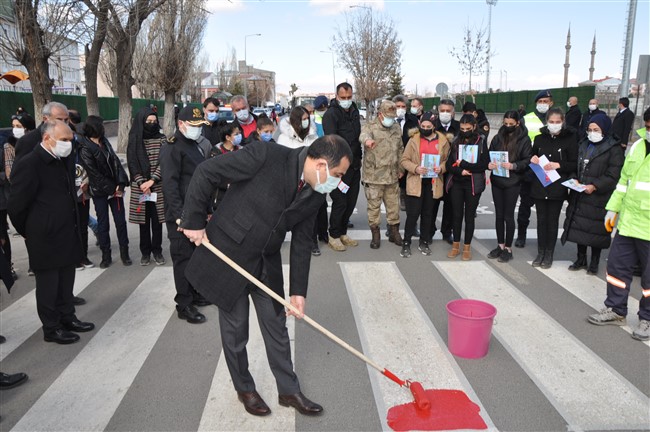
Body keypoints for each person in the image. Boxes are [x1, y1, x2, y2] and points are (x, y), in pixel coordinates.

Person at [179, 136, 352, 417]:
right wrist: (194, 221)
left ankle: (288, 390)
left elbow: (302, 242)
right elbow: (206, 172)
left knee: (277, 327)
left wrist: (298, 292)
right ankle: (245, 388)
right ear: (321, 164)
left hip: (265, 262)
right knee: (236, 331)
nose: (337, 181)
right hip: (231, 256)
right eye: (338, 174)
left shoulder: (316, 192)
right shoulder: (266, 155)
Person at [8, 120, 95, 344]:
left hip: (66, 231)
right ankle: (52, 328)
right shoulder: (30, 163)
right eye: (64, 140)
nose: (68, 144)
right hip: (43, 236)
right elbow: (17, 206)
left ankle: (68, 318)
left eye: (70, 140)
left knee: (66, 281)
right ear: (47, 139)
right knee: (48, 287)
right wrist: (28, 230)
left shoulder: (62, 160)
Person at [587, 107, 650, 341]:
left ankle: (648, 319)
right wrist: (613, 208)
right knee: (616, 269)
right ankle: (616, 310)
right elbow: (624, 182)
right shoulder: (637, 147)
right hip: (629, 223)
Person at [160, 106, 212, 325]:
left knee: (196, 257)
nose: (197, 129)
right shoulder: (172, 148)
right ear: (181, 125)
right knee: (183, 258)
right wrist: (180, 216)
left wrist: (207, 210)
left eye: (200, 126)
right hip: (182, 216)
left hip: (196, 212)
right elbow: (170, 185)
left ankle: (195, 293)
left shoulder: (194, 145)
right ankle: (184, 303)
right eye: (194, 125)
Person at [562, 113, 624, 275]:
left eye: (596, 130)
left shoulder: (614, 149)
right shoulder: (583, 144)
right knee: (579, 229)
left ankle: (594, 261)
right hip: (580, 194)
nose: (592, 133)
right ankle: (580, 258)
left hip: (599, 197)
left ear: (604, 130)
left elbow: (613, 175)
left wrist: (595, 186)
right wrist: (574, 179)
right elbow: (575, 167)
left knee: (596, 230)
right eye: (589, 129)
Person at [79, 115, 131, 268]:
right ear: (93, 127)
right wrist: (111, 189)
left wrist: (121, 184)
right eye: (100, 125)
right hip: (99, 191)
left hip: (115, 190)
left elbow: (116, 162)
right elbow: (94, 173)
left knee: (120, 221)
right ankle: (106, 255)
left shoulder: (105, 141)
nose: (103, 128)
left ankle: (124, 253)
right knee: (103, 224)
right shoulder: (85, 147)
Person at [529, 108, 578, 269]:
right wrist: (533, 158)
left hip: (557, 187)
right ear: (547, 122)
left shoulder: (570, 139)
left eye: (558, 122)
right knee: (541, 221)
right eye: (552, 122)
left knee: (552, 221)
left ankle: (549, 253)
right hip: (540, 185)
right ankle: (540, 252)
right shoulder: (539, 138)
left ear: (563, 122)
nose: (554, 125)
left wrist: (559, 165)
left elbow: (574, 163)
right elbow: (531, 156)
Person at [400, 112, 450, 257]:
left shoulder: (443, 141)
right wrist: (415, 168)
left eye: (429, 126)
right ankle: (406, 242)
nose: (425, 128)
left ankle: (424, 241)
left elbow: (448, 160)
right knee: (412, 215)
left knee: (428, 214)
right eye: (423, 126)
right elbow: (404, 159)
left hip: (433, 182)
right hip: (416, 181)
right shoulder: (413, 140)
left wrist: (442, 168)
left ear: (434, 127)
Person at [486, 111, 532, 263]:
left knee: (508, 215)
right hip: (497, 179)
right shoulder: (498, 137)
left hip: (513, 181)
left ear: (518, 123)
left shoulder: (524, 140)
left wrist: (514, 165)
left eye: (511, 124)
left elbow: (527, 160)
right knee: (499, 215)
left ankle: (508, 248)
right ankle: (500, 245)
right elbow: (489, 154)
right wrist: (489, 164)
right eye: (505, 124)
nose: (508, 126)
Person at [322, 82, 362, 252]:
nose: (346, 100)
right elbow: (332, 143)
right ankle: (334, 235)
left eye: (349, 97)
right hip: (339, 168)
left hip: (354, 166)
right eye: (343, 97)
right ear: (337, 96)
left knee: (351, 201)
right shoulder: (331, 114)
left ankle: (343, 232)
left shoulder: (354, 111)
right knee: (340, 201)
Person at [360, 100, 404, 249]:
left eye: (392, 116)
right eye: (388, 116)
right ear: (380, 114)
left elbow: (400, 149)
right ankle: (375, 235)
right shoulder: (370, 126)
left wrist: (401, 169)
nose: (390, 119)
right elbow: (363, 136)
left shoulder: (396, 128)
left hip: (392, 176)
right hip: (374, 176)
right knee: (374, 207)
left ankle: (394, 233)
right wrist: (368, 141)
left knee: (393, 206)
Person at [445, 114, 489, 261]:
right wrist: (460, 170)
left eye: (468, 128)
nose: (465, 131)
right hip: (457, 182)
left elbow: (484, 164)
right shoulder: (456, 140)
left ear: (474, 127)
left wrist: (464, 165)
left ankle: (467, 247)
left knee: (469, 216)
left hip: (473, 183)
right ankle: (455, 246)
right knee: (456, 215)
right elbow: (448, 165)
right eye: (462, 128)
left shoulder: (480, 141)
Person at [127, 107, 166, 267]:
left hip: (157, 186)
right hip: (140, 187)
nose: (151, 124)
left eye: (154, 121)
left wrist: (152, 181)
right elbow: (132, 163)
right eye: (148, 122)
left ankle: (157, 251)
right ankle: (145, 252)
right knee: (143, 222)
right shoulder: (134, 139)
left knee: (157, 222)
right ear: (141, 122)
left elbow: (164, 162)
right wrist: (142, 182)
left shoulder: (163, 139)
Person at [516, 90, 554, 248]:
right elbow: (520, 142)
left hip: (549, 169)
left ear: (551, 103)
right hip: (530, 168)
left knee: (546, 208)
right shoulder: (526, 119)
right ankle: (521, 235)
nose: (544, 104)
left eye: (547, 101)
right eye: (541, 101)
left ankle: (544, 240)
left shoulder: (556, 118)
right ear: (536, 102)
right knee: (525, 205)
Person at [434, 99, 460, 245]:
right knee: (432, 203)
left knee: (450, 204)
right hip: (435, 171)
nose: (445, 113)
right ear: (438, 111)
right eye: (442, 110)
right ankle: (430, 230)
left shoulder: (458, 127)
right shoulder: (433, 126)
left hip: (452, 172)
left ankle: (447, 231)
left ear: (453, 112)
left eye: (448, 111)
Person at [209, 123, 243, 211]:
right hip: (220, 198)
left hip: (238, 196)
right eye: (236, 134)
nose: (240, 136)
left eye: (239, 133)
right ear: (227, 137)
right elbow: (212, 176)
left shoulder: (242, 151)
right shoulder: (215, 153)